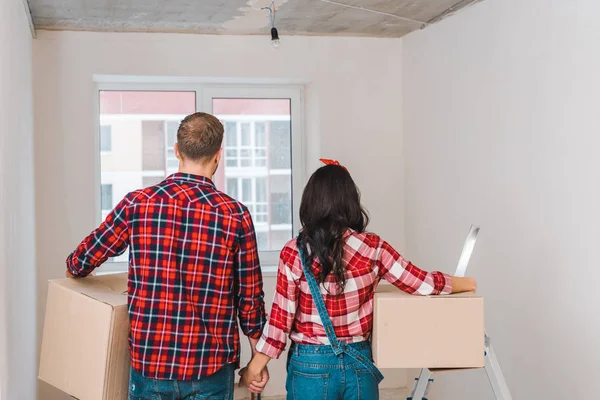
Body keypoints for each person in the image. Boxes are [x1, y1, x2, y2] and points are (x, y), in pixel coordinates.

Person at [66, 112, 269, 400]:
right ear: (218, 156)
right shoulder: (235, 215)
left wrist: (73, 269)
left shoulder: (137, 204)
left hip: (151, 364)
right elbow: (250, 299)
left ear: (176, 150)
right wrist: (257, 361)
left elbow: (81, 259)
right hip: (210, 367)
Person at [239, 159, 477, 399]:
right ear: (350, 202)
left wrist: (256, 366)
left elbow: (281, 321)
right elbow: (422, 283)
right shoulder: (374, 248)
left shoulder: (294, 252)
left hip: (310, 366)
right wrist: (465, 283)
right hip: (359, 364)